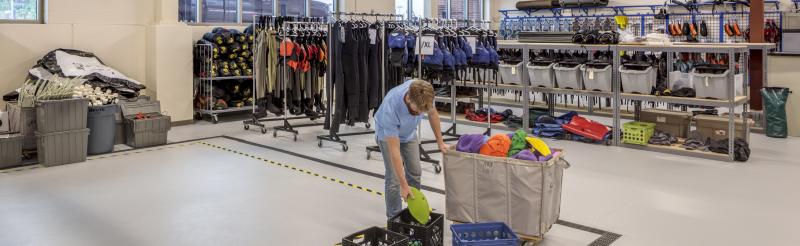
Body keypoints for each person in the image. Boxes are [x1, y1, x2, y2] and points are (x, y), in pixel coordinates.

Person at [374, 79, 449, 219]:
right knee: (394, 178)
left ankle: (413, 212)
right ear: (408, 98)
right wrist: (403, 185)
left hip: (408, 134)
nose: (419, 114)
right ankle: (394, 218)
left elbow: (433, 115)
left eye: (422, 112)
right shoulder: (392, 106)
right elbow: (395, 151)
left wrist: (440, 142)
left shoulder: (424, 93)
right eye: (417, 111)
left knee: (415, 171)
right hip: (387, 135)